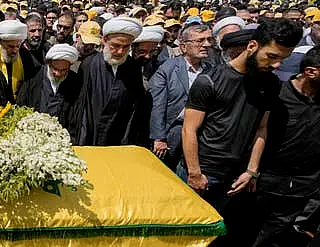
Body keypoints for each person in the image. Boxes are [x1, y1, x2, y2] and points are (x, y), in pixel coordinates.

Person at [179, 19, 302, 214]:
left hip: (235, 176)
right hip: (202, 172)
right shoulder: (209, 80)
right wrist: (195, 173)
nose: (276, 65)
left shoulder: (270, 83)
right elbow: (189, 129)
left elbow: (262, 128)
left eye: (282, 59)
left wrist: (252, 171)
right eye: (271, 56)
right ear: (252, 46)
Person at [246, 48, 320, 247]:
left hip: (305, 177)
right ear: (310, 72)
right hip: (268, 171)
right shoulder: (278, 94)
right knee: (250, 215)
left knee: (281, 223)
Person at [149, 24, 212, 170]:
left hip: (200, 132)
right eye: (200, 41)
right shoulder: (168, 68)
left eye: (209, 40)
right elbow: (158, 104)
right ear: (184, 47)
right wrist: (159, 137)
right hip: (173, 131)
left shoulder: (212, 70)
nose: (206, 45)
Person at [75, 17, 145, 146]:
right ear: (104, 40)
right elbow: (81, 106)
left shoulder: (133, 68)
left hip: (120, 135)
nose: (120, 51)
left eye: (126, 47)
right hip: (92, 134)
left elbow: (136, 107)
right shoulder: (89, 64)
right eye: (116, 46)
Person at [16, 44, 81, 140]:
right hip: (32, 136)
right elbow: (21, 107)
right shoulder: (33, 77)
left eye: (64, 70)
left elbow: (75, 117)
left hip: (61, 138)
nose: (58, 74)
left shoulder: (74, 81)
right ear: (49, 64)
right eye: (55, 69)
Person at [0, 19, 39, 102]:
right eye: (10, 46)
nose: (15, 51)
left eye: (17, 46)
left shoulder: (26, 56)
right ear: (1, 42)